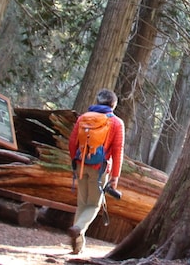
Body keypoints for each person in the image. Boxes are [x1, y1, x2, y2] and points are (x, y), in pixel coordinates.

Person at [67, 89, 124, 255]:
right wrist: (115, 177)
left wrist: (75, 161)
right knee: (93, 205)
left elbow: (72, 143)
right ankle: (78, 228)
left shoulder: (83, 118)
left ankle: (77, 245)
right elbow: (117, 151)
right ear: (113, 105)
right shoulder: (116, 123)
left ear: (97, 101)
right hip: (100, 169)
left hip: (81, 165)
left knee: (82, 204)